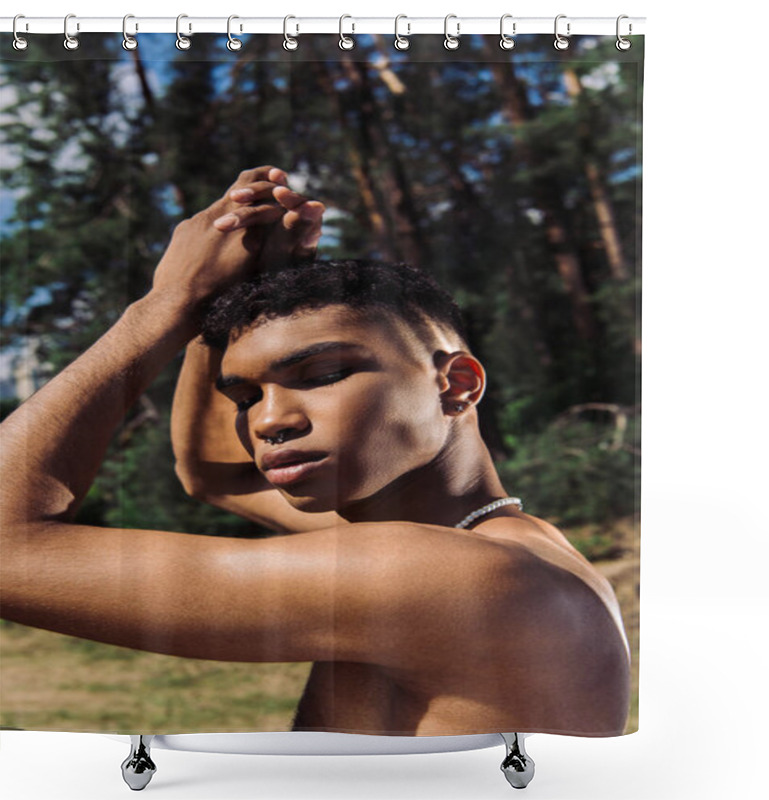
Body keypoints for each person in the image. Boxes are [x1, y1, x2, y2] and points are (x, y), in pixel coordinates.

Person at [0, 166, 629, 737]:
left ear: (455, 384)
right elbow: (215, 475)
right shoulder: (510, 543)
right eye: (246, 396)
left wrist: (167, 304)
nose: (269, 421)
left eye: (323, 375)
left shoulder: (450, 575)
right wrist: (221, 310)